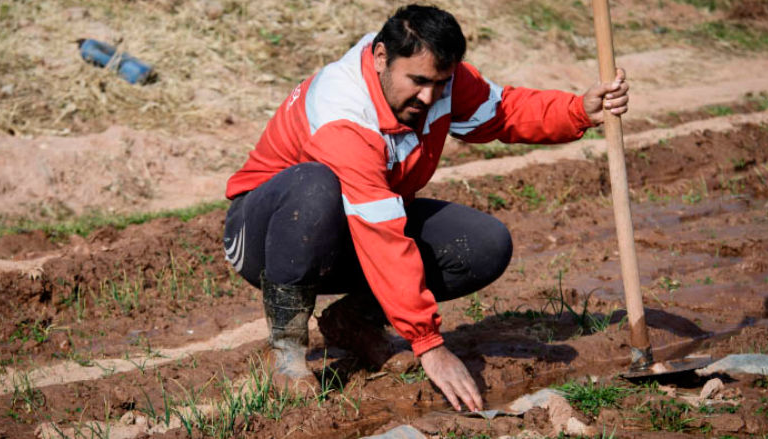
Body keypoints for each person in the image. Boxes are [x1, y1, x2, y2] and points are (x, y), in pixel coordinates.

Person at [223, 4, 629, 412]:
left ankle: (354, 321)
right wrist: (428, 343)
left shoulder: (438, 83)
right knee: (315, 188)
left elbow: (502, 111)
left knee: (484, 244)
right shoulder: (342, 112)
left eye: (440, 83)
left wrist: (578, 111)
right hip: (264, 235)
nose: (429, 97)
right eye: (417, 82)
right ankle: (289, 353)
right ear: (381, 57)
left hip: (354, 225)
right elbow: (380, 233)